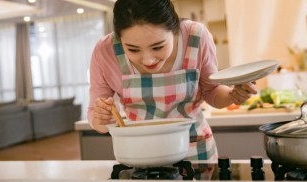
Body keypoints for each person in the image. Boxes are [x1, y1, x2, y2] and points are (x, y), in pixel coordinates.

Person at [87, 0, 257, 161]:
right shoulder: (105, 51)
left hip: (195, 150)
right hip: (140, 154)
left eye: (158, 47)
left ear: (175, 30)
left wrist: (233, 95)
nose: (148, 60)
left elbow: (212, 92)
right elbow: (95, 117)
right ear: (119, 38)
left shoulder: (195, 37)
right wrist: (102, 118)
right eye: (133, 49)